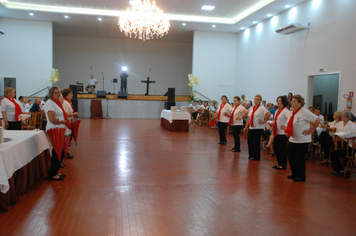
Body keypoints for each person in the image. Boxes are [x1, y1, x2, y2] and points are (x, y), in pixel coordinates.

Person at [283, 94, 321, 182]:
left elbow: (317, 120)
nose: (292, 103)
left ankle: (301, 175)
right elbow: (289, 123)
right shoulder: (291, 112)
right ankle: (294, 173)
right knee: (291, 156)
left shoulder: (304, 112)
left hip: (302, 139)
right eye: (292, 101)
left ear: (300, 103)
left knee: (300, 158)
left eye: (294, 101)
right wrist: (287, 131)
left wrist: (312, 131)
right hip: (293, 138)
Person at [45, 86, 70, 181]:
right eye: (56, 92)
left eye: (59, 92)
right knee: (56, 151)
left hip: (59, 129)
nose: (59, 94)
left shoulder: (56, 103)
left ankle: (56, 171)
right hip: (54, 129)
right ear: (51, 93)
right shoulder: (50, 103)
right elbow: (52, 119)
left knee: (58, 151)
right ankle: (53, 173)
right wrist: (64, 121)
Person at [243, 94, 271, 161]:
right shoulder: (252, 107)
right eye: (255, 99)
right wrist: (246, 126)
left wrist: (264, 121)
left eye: (258, 99)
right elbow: (249, 117)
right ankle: (251, 154)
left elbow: (268, 114)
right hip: (252, 127)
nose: (256, 100)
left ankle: (256, 156)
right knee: (249, 140)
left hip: (259, 127)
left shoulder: (262, 108)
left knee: (256, 141)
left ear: (260, 100)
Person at [329, 111, 356, 175]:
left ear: (349, 118)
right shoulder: (340, 123)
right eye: (343, 116)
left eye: (344, 116)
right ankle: (340, 168)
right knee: (334, 149)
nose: (343, 117)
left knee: (334, 153)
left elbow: (350, 135)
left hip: (350, 146)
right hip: (341, 141)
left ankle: (341, 169)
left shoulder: (352, 125)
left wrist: (344, 135)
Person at [271, 96, 290, 170]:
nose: (278, 102)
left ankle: (283, 164)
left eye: (279, 101)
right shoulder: (277, 111)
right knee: (276, 147)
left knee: (282, 149)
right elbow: (275, 119)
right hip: (277, 132)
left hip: (283, 133)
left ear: (283, 102)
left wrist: (286, 126)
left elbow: (290, 120)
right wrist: (273, 123)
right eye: (277, 100)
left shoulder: (285, 111)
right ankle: (279, 163)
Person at [62, 88, 79, 159]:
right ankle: (65, 152)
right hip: (67, 123)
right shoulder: (65, 103)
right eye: (70, 94)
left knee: (69, 137)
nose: (72, 95)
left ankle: (66, 151)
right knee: (67, 137)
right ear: (66, 95)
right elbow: (65, 113)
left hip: (70, 122)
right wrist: (73, 114)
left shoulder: (68, 102)